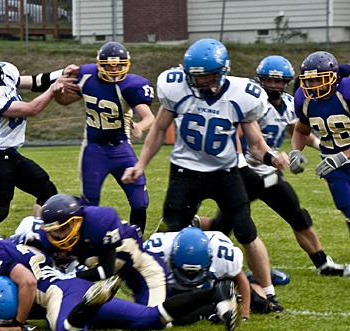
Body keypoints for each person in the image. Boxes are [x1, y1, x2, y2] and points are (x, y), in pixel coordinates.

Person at [121, 38, 289, 311]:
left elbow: (256, 144)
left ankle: (268, 291)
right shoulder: (176, 88)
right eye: (194, 76)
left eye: (205, 75)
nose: (198, 82)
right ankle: (165, 289)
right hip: (185, 173)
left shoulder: (241, 94)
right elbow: (159, 130)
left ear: (223, 71)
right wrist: (141, 164)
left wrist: (271, 157)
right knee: (171, 231)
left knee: (246, 230)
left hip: (225, 172)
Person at [197, 55, 350, 277]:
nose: (273, 86)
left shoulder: (291, 102)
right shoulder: (250, 102)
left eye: (279, 81)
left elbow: (298, 130)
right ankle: (190, 225)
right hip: (242, 172)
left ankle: (323, 263)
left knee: (297, 215)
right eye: (269, 80)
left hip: (269, 173)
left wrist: (312, 150)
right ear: (260, 80)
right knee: (226, 225)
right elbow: (238, 138)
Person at [0, 229, 241, 331]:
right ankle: (212, 292)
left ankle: (85, 309)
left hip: (60, 293)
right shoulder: (23, 248)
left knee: (65, 329)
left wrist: (18, 322)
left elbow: (25, 283)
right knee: (151, 319)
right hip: (74, 284)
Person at [0, 49, 79, 238]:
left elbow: (35, 82)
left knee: (46, 190)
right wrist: (53, 90)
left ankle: (40, 236)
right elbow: (31, 109)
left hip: (10, 154)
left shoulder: (6, 71)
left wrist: (61, 73)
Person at [54, 41, 155, 233]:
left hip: (120, 149)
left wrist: (140, 127)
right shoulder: (87, 76)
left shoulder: (131, 85)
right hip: (94, 149)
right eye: (109, 64)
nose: (114, 69)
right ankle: (92, 241)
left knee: (140, 201)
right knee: (90, 203)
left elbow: (149, 116)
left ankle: (136, 239)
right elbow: (64, 101)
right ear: (100, 65)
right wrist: (57, 93)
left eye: (119, 64)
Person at [21, 193, 169, 308]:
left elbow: (107, 270)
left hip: (144, 269)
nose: (60, 236)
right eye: (54, 231)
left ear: (76, 221)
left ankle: (189, 299)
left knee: (156, 318)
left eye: (64, 228)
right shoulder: (47, 236)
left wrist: (71, 276)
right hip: (118, 274)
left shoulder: (99, 224)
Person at [290, 51, 350, 256]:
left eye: (319, 79)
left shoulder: (347, 91)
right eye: (309, 80)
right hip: (333, 164)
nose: (314, 85)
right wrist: (295, 152)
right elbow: (300, 130)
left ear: (333, 77)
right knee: (346, 206)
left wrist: (343, 155)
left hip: (341, 157)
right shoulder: (304, 99)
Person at [144, 227, 254, 321]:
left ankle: (259, 283)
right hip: (170, 289)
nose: (190, 279)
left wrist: (244, 315)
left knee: (259, 303)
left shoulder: (222, 257)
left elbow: (240, 279)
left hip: (209, 285)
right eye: (186, 273)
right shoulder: (154, 255)